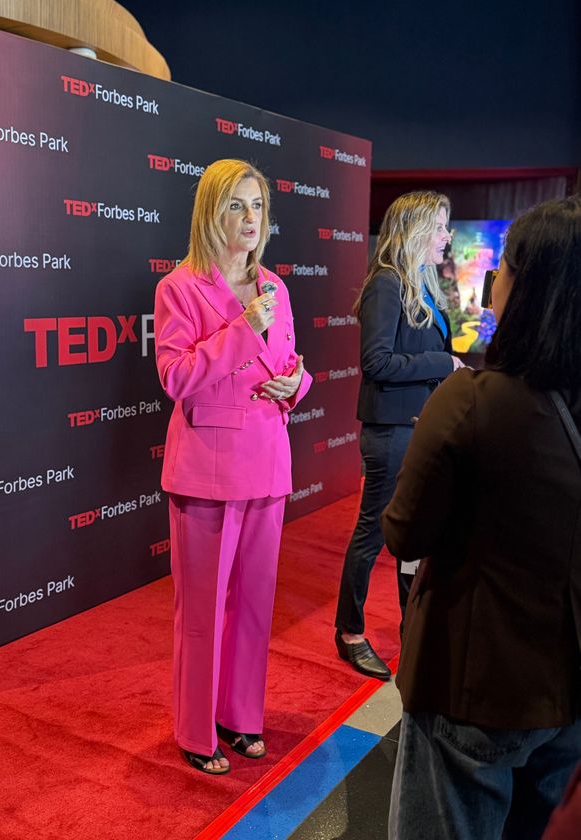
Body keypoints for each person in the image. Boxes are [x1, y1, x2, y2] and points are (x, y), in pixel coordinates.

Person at [384, 195, 581, 839]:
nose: (492, 277)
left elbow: (405, 531)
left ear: (528, 287)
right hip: (565, 691)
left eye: (503, 266)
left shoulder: (470, 401)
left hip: (472, 684)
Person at [154, 159, 312, 775]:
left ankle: (241, 716)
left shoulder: (277, 287)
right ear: (211, 213)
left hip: (269, 462)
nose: (250, 220)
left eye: (257, 207)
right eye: (236, 206)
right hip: (207, 472)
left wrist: (296, 384)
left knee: (253, 605)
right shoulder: (180, 288)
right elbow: (176, 377)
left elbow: (291, 363)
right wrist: (243, 329)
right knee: (201, 611)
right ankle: (196, 729)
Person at [334, 191, 463, 678]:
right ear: (413, 231)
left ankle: (414, 631)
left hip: (423, 431)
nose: (447, 238)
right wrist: (443, 363)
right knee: (373, 534)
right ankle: (350, 632)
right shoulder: (386, 285)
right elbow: (377, 362)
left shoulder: (422, 285)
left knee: (419, 534)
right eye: (440, 228)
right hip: (391, 434)